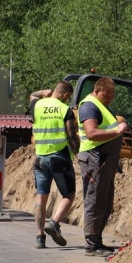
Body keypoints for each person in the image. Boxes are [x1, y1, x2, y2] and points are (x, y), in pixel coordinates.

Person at [77, 77, 128, 256]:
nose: (110, 98)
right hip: (95, 160)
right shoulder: (89, 106)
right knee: (95, 202)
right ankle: (91, 245)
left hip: (104, 161)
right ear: (97, 91)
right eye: (107, 95)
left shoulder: (101, 106)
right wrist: (116, 131)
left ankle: (97, 241)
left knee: (104, 203)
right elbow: (91, 133)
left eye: (112, 95)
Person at [29, 81, 79, 249]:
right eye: (68, 97)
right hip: (59, 158)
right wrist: (79, 153)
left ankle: (39, 237)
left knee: (41, 198)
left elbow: (32, 96)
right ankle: (54, 223)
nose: (68, 100)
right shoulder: (66, 110)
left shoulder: (37, 105)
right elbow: (72, 137)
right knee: (68, 195)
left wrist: (42, 91)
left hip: (40, 158)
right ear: (65, 95)